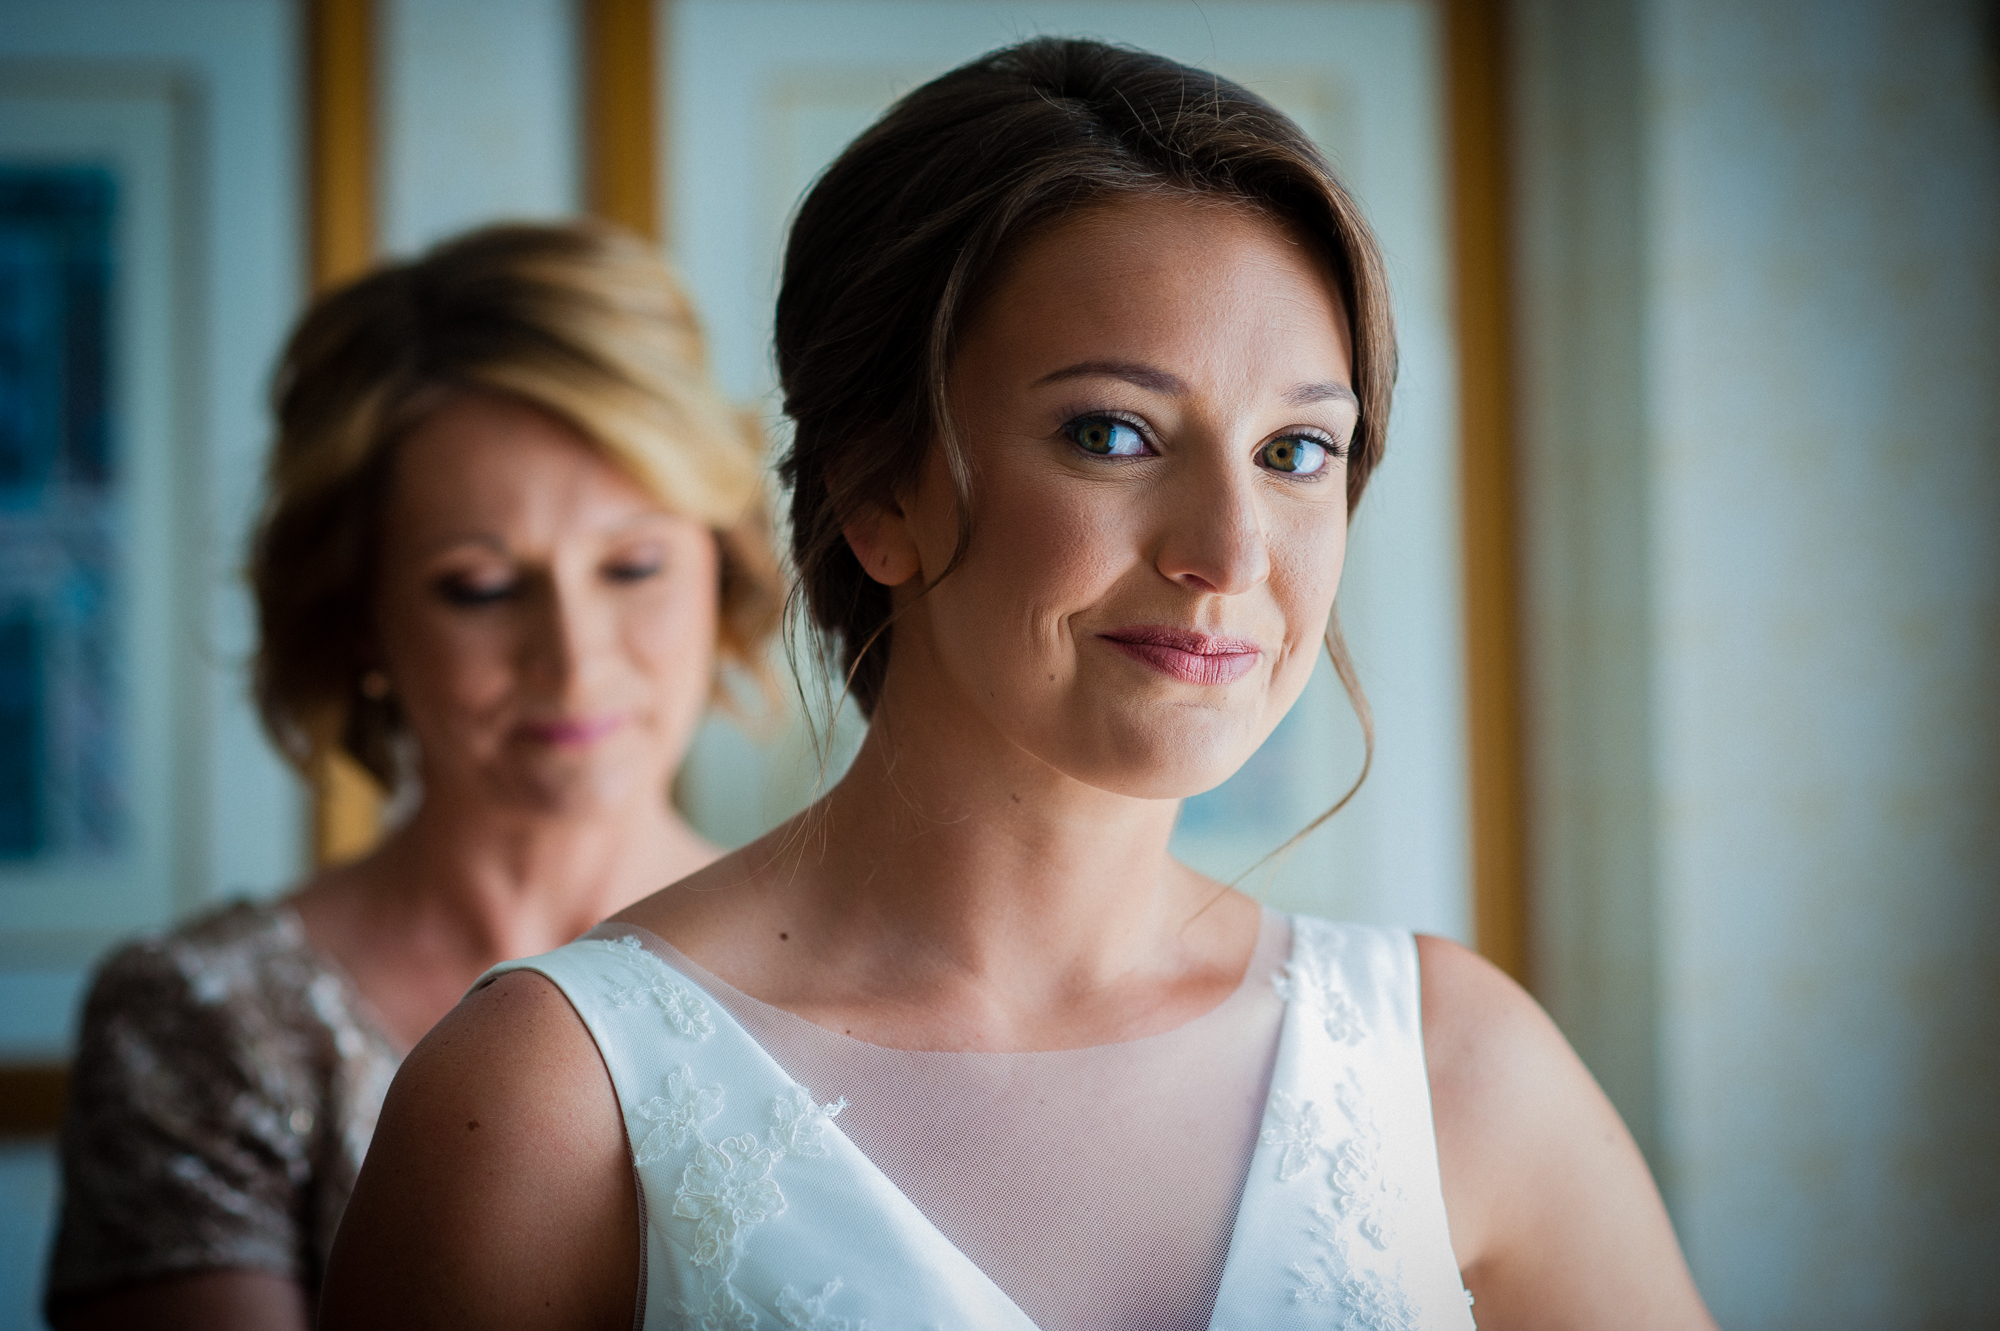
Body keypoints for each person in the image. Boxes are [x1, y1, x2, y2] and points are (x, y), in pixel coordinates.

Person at [322, 41, 1716, 1331]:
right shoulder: (549, 1100)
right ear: (880, 494)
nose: (1229, 552)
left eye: (1298, 451)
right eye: (1112, 433)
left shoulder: (1452, 1061)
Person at [45, 221, 779, 1330]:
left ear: (721, 571)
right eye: (479, 586)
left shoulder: (864, 977)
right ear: (358, 618)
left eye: (632, 566)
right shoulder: (206, 1021)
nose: (573, 658)